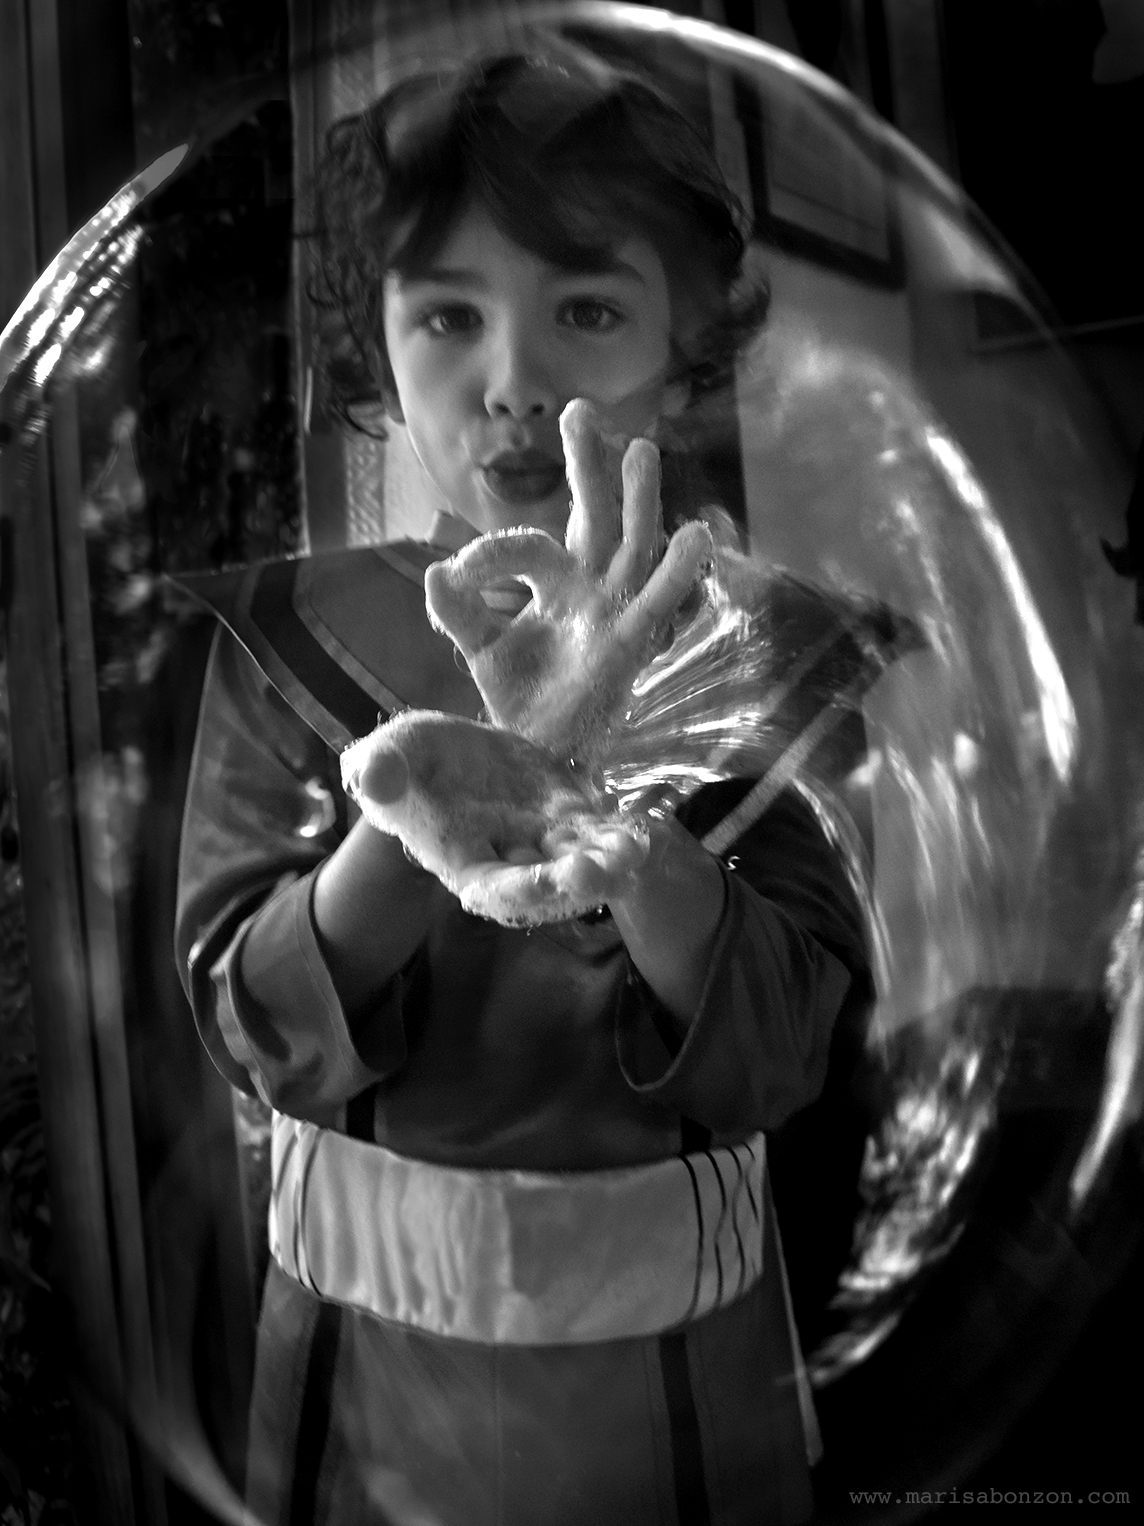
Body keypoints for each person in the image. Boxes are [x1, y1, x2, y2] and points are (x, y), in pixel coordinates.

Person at [175, 46, 871, 1526]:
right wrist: (434, 805)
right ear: (374, 351)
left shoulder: (759, 656)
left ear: (687, 350)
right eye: (448, 316)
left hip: (681, 1403)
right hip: (364, 1404)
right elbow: (250, 1023)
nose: (515, 385)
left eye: (589, 310)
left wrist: (640, 859)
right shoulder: (291, 648)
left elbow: (787, 1051)